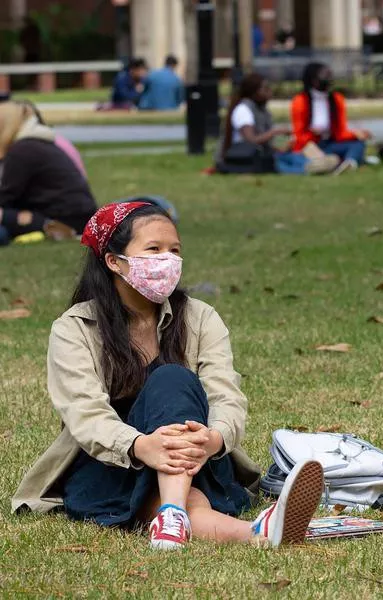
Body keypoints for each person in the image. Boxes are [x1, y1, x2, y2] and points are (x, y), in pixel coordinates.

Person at [11, 201, 325, 550]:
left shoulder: (200, 317)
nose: (168, 259)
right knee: (178, 484)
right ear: (114, 261)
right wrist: (143, 446)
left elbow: (226, 395)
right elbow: (85, 414)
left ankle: (173, 514)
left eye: (175, 250)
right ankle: (253, 531)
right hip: (112, 463)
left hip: (197, 454)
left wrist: (214, 440)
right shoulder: (75, 328)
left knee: (172, 380)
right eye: (154, 249)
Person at [0, 102, 96, 246]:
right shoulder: (37, 144)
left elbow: (6, 196)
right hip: (81, 216)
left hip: (63, 220)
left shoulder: (22, 151)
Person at [217, 72, 339, 175]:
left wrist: (280, 148)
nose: (269, 92)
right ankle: (311, 169)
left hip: (262, 155)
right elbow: (251, 140)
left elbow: (262, 143)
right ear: (253, 92)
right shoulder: (243, 110)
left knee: (294, 157)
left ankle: (319, 164)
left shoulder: (262, 110)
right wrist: (276, 132)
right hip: (244, 157)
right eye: (265, 89)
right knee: (281, 165)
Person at [290, 62, 371, 173]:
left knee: (358, 144)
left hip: (330, 143)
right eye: (325, 76)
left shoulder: (337, 99)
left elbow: (340, 132)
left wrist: (356, 134)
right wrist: (313, 133)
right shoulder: (300, 101)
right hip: (310, 145)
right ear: (313, 80)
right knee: (310, 157)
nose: (329, 79)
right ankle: (332, 162)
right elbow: (298, 136)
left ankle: (349, 163)